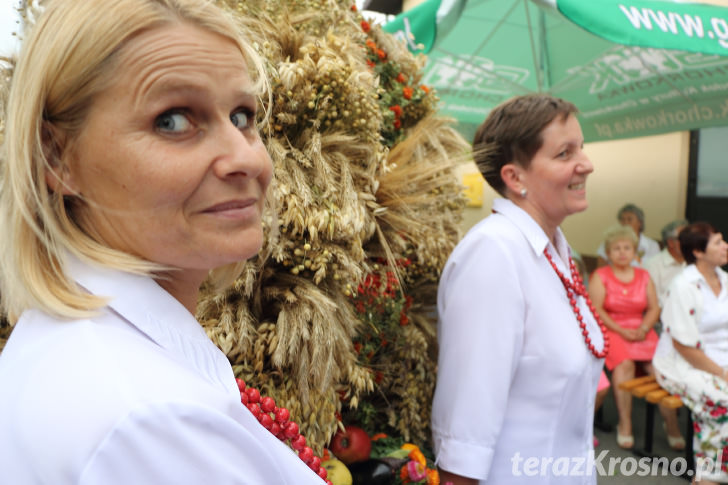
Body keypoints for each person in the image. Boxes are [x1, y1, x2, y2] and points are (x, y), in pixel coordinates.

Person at [0, 1, 325, 483]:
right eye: (173, 120)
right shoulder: (151, 421)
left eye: (242, 116)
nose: (248, 160)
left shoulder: (77, 351)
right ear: (56, 157)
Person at [432, 94, 607, 484]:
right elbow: (465, 432)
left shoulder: (557, 253)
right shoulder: (493, 255)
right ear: (515, 178)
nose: (587, 164)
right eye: (565, 153)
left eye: (582, 147)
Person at [588, 225, 683, 450]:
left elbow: (653, 308)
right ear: (608, 253)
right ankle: (625, 423)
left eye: (627, 248)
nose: (622, 252)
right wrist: (621, 331)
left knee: (661, 368)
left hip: (641, 329)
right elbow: (596, 309)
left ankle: (671, 425)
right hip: (611, 329)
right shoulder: (600, 276)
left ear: (634, 252)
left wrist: (644, 327)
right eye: (616, 248)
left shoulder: (643, 275)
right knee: (625, 365)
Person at [653, 222, 728, 484]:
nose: (725, 246)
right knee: (722, 401)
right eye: (718, 242)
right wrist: (722, 373)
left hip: (720, 360)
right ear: (697, 251)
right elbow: (683, 346)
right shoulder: (683, 285)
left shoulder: (725, 279)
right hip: (680, 363)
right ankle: (708, 476)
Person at [596, 203, 660, 267]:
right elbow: (601, 269)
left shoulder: (652, 246)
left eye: (630, 219)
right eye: (622, 220)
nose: (626, 223)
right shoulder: (609, 242)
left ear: (640, 223)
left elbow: (655, 270)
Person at [644, 219, 689, 307]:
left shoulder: (695, 262)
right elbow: (652, 303)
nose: (690, 242)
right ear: (671, 242)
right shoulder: (652, 265)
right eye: (685, 238)